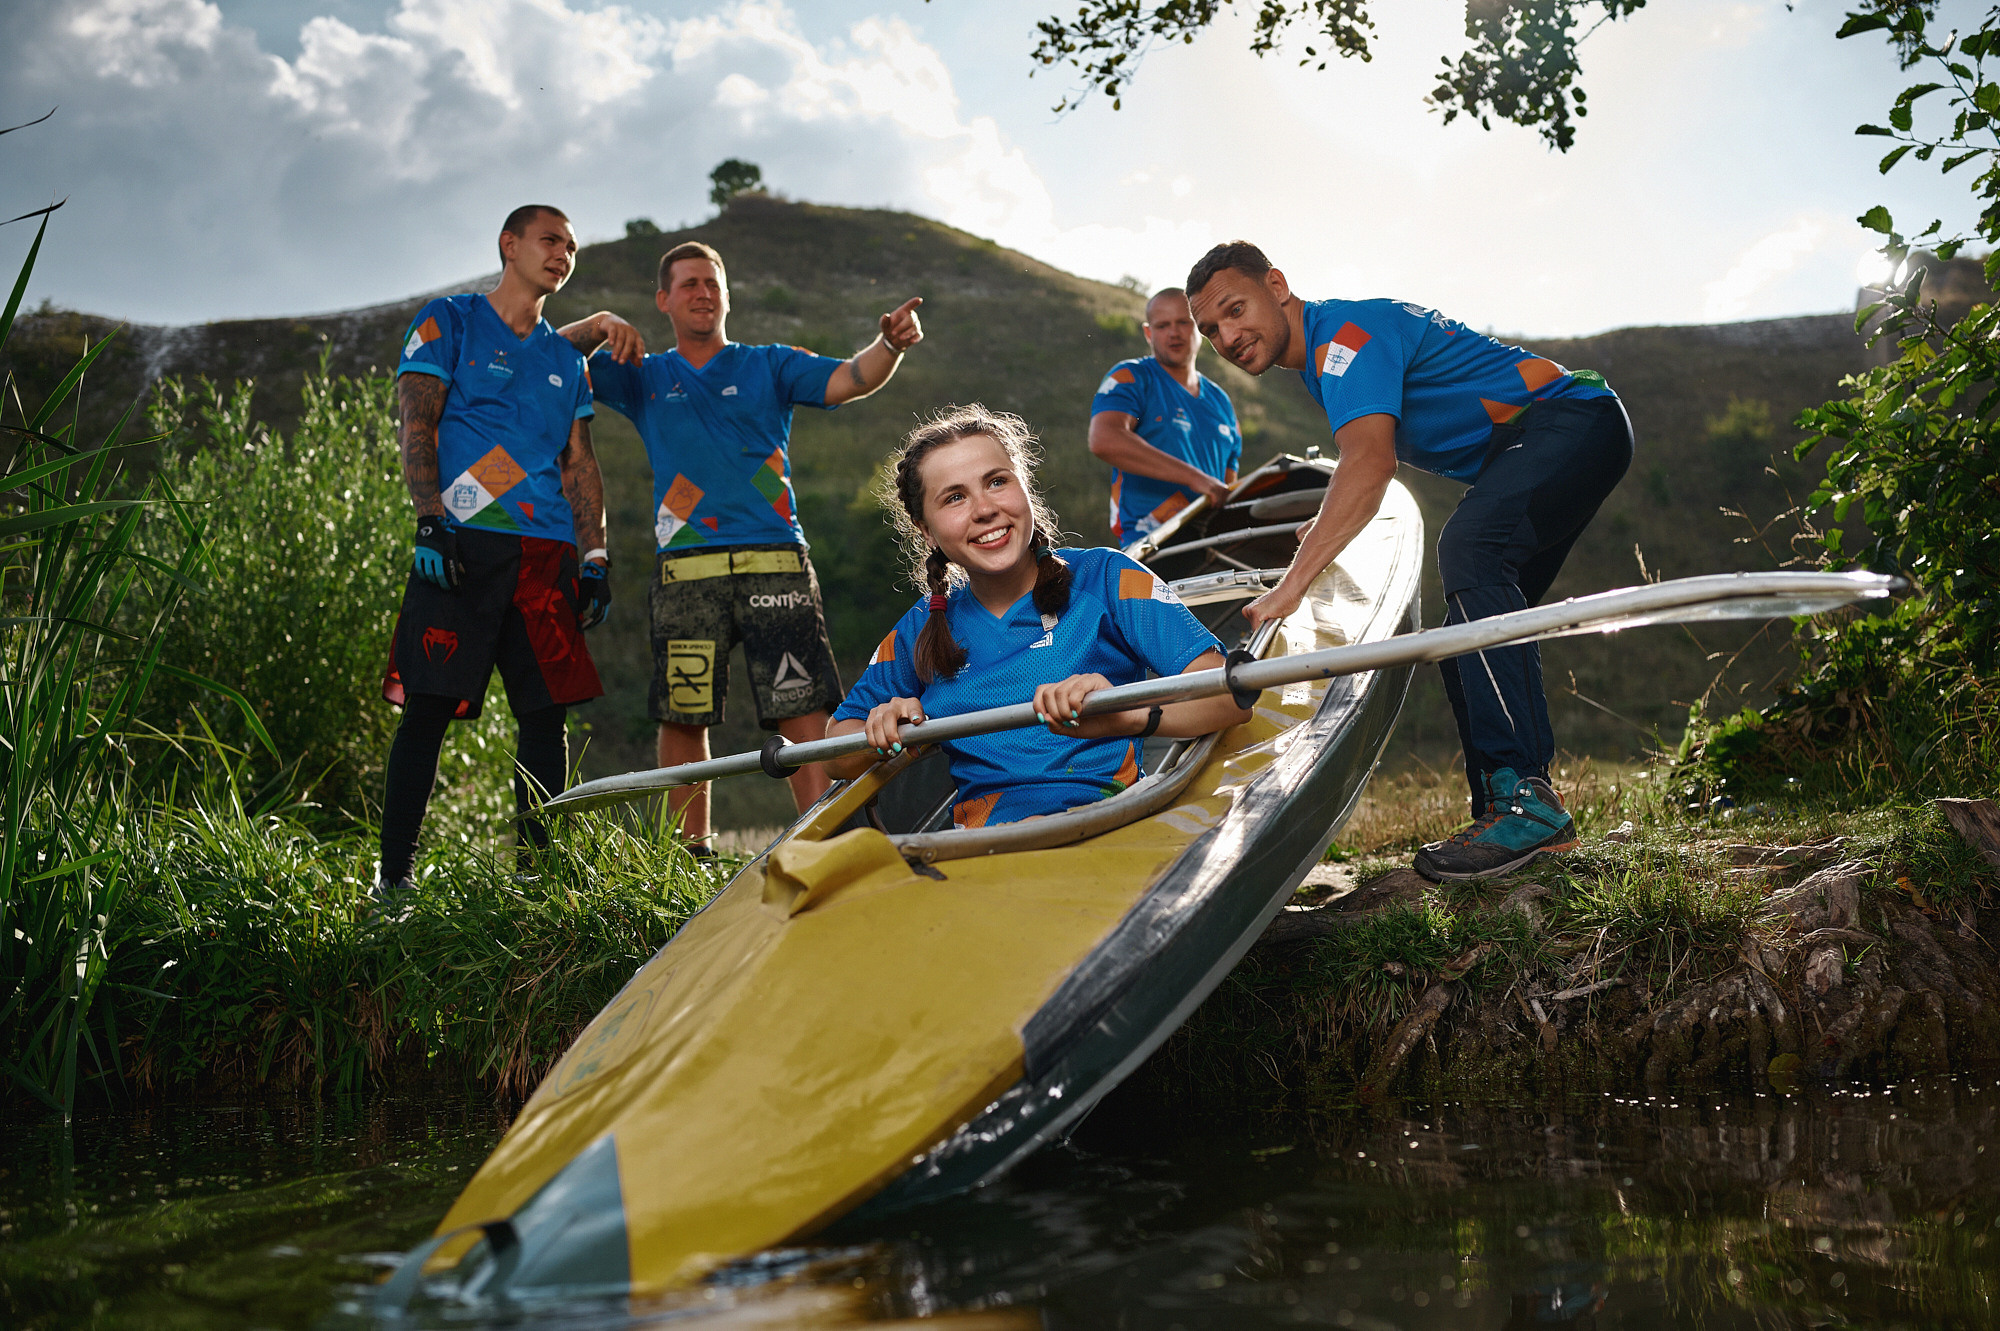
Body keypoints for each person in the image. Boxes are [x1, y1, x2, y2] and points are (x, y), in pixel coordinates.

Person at [1185, 241, 1634, 882]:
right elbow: (1366, 460)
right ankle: (1505, 813)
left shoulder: (1343, 337)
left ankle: (1526, 806)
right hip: (1567, 432)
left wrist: (1291, 586)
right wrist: (1330, 519)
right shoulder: (1329, 355)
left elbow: (1371, 462)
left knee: (1471, 551)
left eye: (1235, 310)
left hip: (1569, 417)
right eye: (1211, 330)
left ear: (1277, 285)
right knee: (1468, 635)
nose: (1227, 337)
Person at [559, 241, 923, 851]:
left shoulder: (769, 364)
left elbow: (850, 378)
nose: (703, 293)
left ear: (727, 297)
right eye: (690, 284)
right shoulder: (643, 373)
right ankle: (690, 857)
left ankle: (824, 843)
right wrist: (597, 325)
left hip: (776, 559)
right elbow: (547, 360)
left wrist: (890, 344)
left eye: (713, 283)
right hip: (685, 566)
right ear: (663, 300)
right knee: (683, 711)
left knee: (801, 706)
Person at [824, 406, 1250, 827]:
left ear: (1025, 487)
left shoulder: (1105, 576)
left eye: (996, 482)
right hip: (980, 849)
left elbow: (1230, 698)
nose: (984, 509)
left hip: (1109, 829)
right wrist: (881, 729)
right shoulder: (922, 625)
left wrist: (1128, 714)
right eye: (955, 498)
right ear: (926, 531)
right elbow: (836, 751)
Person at [378, 204, 611, 898]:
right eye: (550, 240)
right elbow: (417, 422)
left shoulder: (567, 360)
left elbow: (580, 464)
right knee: (427, 708)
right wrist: (428, 519)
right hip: (461, 542)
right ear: (509, 244)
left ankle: (537, 884)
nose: (563, 254)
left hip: (546, 554)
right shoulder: (447, 321)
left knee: (544, 716)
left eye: (572, 247)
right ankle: (393, 883)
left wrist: (595, 557)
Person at [1089, 287, 1242, 545]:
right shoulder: (1131, 377)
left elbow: (1227, 487)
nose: (1174, 333)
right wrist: (1196, 479)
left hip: (1211, 544)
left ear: (1200, 326)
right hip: (1150, 543)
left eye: (1183, 322)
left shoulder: (1221, 401)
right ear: (1148, 333)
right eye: (1162, 325)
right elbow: (1104, 439)